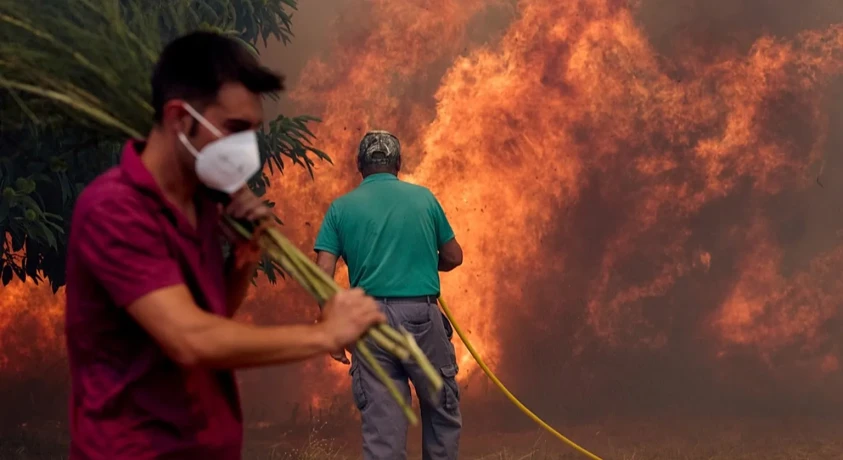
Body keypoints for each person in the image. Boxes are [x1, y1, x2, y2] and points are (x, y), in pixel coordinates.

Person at [64, 31, 385, 460]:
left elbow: (209, 318)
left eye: (252, 131)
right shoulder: (115, 208)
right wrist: (324, 334)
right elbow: (190, 338)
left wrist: (242, 262)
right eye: (235, 129)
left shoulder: (201, 204)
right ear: (180, 119)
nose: (246, 148)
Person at [314, 130, 465, 459]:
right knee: (441, 411)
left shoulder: (340, 209)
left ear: (359, 165)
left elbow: (321, 274)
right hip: (421, 319)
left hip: (369, 324)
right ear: (398, 163)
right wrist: (419, 260)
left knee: (383, 427)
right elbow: (454, 256)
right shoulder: (424, 198)